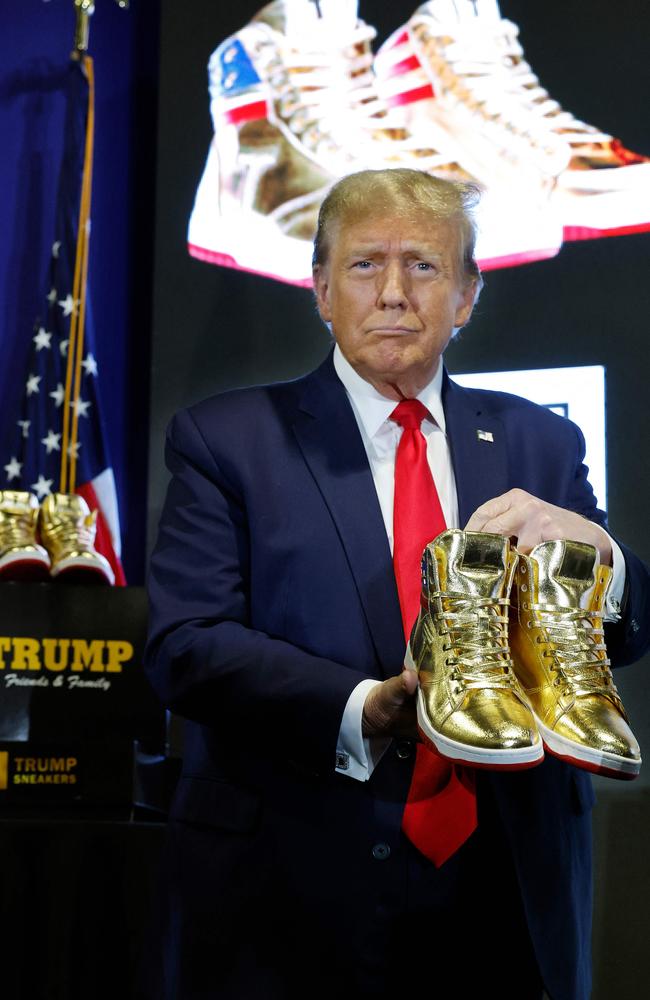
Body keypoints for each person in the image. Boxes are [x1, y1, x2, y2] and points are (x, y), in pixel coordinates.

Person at [143, 169, 650, 1000]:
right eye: (363, 266)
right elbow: (185, 646)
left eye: (422, 266)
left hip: (510, 894)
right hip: (291, 890)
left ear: (467, 296)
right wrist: (365, 705)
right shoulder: (226, 439)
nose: (392, 293)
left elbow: (623, 635)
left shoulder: (543, 441)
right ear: (320, 291)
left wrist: (605, 553)